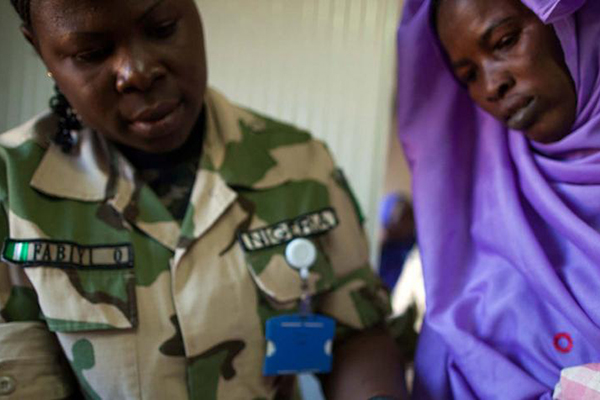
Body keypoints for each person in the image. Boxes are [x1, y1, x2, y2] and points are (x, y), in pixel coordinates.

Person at [0, 0, 406, 398]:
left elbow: (357, 333)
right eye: (91, 53)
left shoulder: (301, 164)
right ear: (40, 49)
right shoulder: (11, 188)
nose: (137, 72)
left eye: (161, 28)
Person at [396, 0, 600, 398]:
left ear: (571, 23)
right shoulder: (481, 221)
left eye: (505, 41)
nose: (491, 86)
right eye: (468, 75)